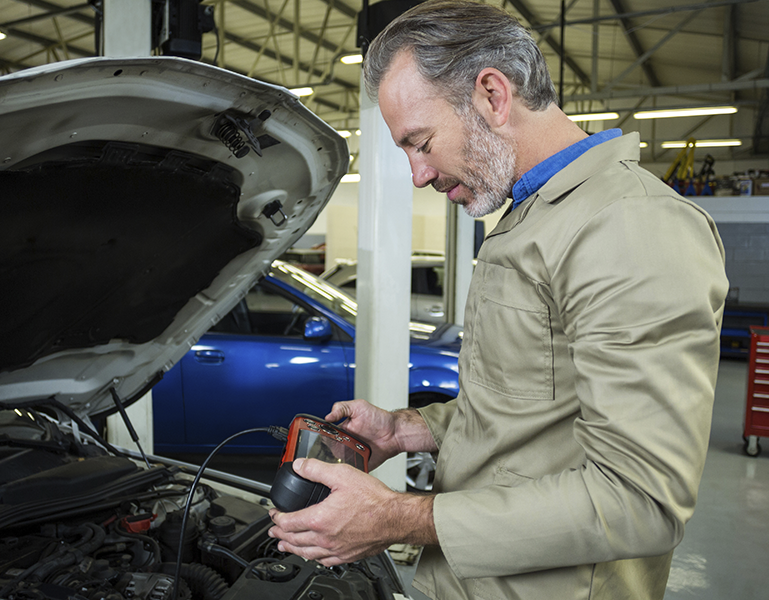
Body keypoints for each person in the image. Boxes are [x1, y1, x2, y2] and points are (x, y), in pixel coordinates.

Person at [266, 1, 729, 598]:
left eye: (421, 143)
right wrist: (407, 430)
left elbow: (640, 500)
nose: (418, 175)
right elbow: (530, 407)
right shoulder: (532, 215)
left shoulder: (628, 226)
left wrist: (398, 517)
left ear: (492, 95)